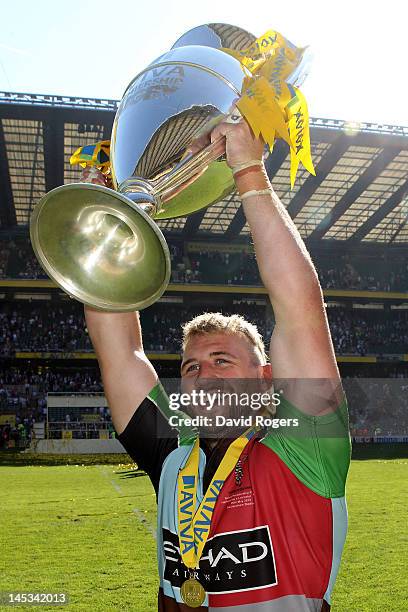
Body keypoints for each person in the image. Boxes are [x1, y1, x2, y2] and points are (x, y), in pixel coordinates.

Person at [84, 117, 351, 611]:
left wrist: (250, 172)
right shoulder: (171, 452)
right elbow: (120, 350)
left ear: (266, 377)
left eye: (222, 360)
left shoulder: (304, 448)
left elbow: (300, 311)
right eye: (189, 368)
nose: (202, 375)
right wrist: (105, 221)